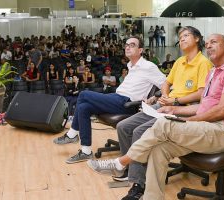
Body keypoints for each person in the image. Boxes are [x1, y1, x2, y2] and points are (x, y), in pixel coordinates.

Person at [87, 34, 224, 200]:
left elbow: (222, 111)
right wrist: (173, 109)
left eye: (214, 42)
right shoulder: (214, 72)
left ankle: (120, 163)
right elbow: (203, 107)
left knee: (163, 124)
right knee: (158, 150)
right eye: (208, 43)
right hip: (207, 128)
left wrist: (186, 122)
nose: (208, 46)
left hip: (223, 132)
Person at [93, 26, 212, 200]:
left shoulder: (203, 63)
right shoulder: (180, 61)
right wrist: (164, 95)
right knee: (124, 126)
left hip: (185, 108)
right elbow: (166, 83)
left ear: (197, 39)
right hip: (166, 104)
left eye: (186, 35)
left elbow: (202, 93)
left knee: (139, 132)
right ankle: (128, 169)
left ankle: (138, 185)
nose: (182, 39)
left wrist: (175, 101)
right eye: (180, 36)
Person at [53, 36, 166, 164]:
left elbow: (167, 83)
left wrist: (154, 98)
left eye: (132, 45)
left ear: (140, 50)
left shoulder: (148, 66)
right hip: (116, 98)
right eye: (126, 44)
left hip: (127, 103)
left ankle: (72, 134)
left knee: (83, 94)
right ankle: (86, 151)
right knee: (84, 107)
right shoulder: (131, 65)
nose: (127, 47)